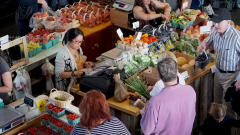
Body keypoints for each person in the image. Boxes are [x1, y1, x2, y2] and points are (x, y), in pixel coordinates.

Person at [197, 9, 240, 124]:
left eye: (219, 22)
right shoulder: (215, 31)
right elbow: (208, 41)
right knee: (217, 106)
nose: (215, 25)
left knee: (228, 109)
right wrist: (203, 45)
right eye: (214, 22)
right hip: (217, 74)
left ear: (228, 22)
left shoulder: (236, 37)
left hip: (231, 77)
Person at [140, 58, 196, 135]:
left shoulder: (155, 102)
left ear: (159, 77)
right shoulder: (191, 91)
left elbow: (146, 131)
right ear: (177, 72)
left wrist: (143, 113)